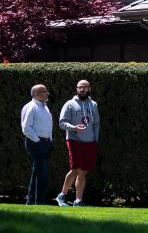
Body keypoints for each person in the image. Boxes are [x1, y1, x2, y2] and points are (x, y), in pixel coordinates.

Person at [56, 79, 100, 207]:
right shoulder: (69, 104)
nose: (82, 89)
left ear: (89, 89)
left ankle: (78, 201)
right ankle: (62, 196)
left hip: (90, 142)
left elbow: (96, 123)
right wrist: (74, 127)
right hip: (74, 140)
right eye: (80, 87)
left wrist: (95, 139)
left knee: (83, 171)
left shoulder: (94, 105)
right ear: (76, 89)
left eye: (85, 87)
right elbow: (62, 122)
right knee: (75, 169)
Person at [19, 84, 53, 205]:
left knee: (37, 172)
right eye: (44, 91)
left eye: (46, 91)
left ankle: (31, 200)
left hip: (44, 142)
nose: (47, 93)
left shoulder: (44, 107)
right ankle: (40, 201)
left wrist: (49, 140)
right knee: (42, 172)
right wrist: (38, 141)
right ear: (36, 94)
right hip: (35, 143)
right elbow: (26, 128)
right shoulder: (31, 107)